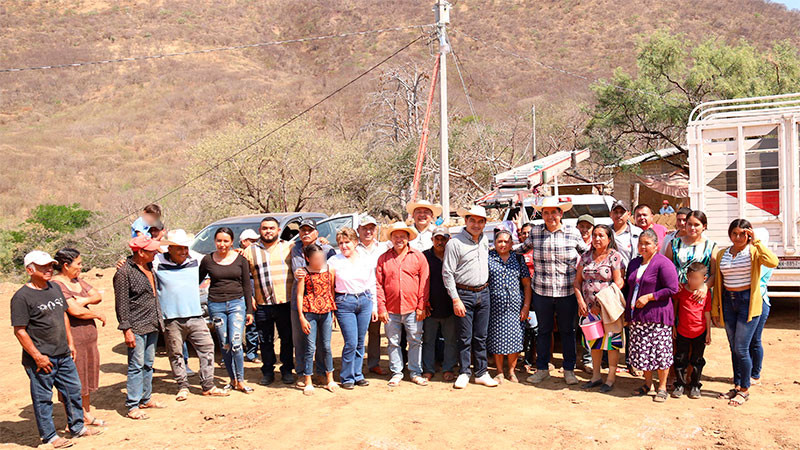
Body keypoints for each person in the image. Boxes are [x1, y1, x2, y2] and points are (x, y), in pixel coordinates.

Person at [12, 251, 103, 447]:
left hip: (63, 353)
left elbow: (63, 316)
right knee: (43, 398)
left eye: (50, 265)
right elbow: (20, 331)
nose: (48, 269)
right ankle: (50, 437)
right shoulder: (22, 297)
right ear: (30, 270)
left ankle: (77, 427)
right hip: (41, 359)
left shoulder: (54, 288)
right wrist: (37, 356)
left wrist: (70, 343)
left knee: (73, 390)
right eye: (43, 266)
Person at [519, 197, 589, 385]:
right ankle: (542, 369)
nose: (550, 216)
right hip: (542, 291)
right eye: (546, 213)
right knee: (543, 331)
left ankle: (569, 370)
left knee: (568, 331)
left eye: (553, 212)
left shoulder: (572, 233)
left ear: (561, 213)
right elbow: (521, 249)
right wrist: (498, 250)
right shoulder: (535, 232)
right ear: (542, 214)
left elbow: (586, 254)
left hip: (567, 292)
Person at [711, 219, 778, 407]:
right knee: (734, 348)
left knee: (742, 347)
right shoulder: (723, 253)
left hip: (748, 302)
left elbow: (773, 262)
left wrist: (756, 241)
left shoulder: (754, 251)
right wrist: (716, 308)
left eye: (743, 234)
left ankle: (745, 390)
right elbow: (718, 283)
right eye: (735, 233)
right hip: (728, 302)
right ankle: (737, 385)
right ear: (729, 234)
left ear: (749, 234)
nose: (738, 237)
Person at [156, 230, 229, 400]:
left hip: (195, 316)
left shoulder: (195, 259)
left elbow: (217, 257)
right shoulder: (156, 262)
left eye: (185, 248)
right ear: (170, 249)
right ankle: (182, 385)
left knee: (207, 348)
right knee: (175, 353)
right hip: (171, 318)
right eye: (179, 248)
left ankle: (208, 384)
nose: (183, 252)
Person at [443, 205, 498, 389]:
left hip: (484, 293)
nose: (476, 224)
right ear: (466, 221)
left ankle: (481, 372)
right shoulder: (455, 243)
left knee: (481, 336)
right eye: (472, 220)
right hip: (464, 294)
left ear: (484, 223)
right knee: (465, 337)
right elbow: (447, 273)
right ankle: (465, 372)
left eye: (480, 221)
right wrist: (455, 299)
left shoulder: (484, 241)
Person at [51, 249, 108, 427]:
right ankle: (74, 418)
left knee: (87, 375)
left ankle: (86, 413)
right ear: (66, 265)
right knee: (73, 378)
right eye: (78, 264)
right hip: (73, 338)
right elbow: (73, 311)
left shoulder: (76, 281)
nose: (81, 267)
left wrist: (82, 301)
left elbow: (97, 295)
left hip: (88, 338)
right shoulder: (56, 285)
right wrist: (96, 314)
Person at [625, 229, 680, 403]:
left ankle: (662, 387)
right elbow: (629, 287)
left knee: (660, 353)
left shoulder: (663, 263)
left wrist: (650, 297)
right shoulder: (634, 263)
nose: (643, 246)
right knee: (642, 352)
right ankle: (647, 384)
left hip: (657, 316)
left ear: (656, 246)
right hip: (638, 317)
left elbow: (673, 288)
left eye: (647, 243)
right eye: (641, 243)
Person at [114, 235, 165, 419]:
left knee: (148, 363)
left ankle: (145, 398)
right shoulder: (124, 272)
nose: (155, 253)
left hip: (152, 322)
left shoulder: (150, 265)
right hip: (136, 324)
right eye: (151, 250)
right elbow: (121, 304)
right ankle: (133, 404)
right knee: (136, 365)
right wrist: (126, 329)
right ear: (141, 252)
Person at [199, 227, 254, 394]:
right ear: (215, 241)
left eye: (225, 241)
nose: (222, 244)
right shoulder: (207, 260)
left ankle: (241, 380)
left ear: (231, 242)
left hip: (237, 304)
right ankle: (232, 380)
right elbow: (196, 279)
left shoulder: (240, 259)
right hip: (216, 305)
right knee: (225, 344)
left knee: (236, 343)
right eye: (219, 241)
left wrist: (249, 310)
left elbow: (246, 285)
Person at [243, 218, 297, 385]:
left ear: (278, 230)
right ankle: (267, 371)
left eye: (272, 228)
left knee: (287, 339)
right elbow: (244, 278)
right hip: (262, 303)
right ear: (260, 230)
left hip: (285, 302)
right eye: (265, 228)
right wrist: (250, 298)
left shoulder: (289, 247)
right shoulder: (250, 251)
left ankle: (287, 370)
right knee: (265, 340)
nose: (268, 231)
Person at [376, 222, 430, 387]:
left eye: (402, 236)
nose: (399, 239)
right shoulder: (383, 259)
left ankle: (415, 372)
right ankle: (397, 372)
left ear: (408, 238)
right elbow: (378, 285)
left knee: (415, 340)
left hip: (413, 308)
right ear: (391, 238)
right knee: (393, 342)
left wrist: (422, 306)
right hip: (391, 309)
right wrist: (381, 308)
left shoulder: (418, 256)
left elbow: (424, 283)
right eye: (395, 236)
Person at [574, 225, 624, 392]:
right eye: (594, 235)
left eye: (601, 235)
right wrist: (581, 300)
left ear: (609, 239)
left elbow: (619, 282)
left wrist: (600, 302)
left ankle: (610, 379)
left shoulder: (614, 257)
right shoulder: (585, 256)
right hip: (588, 309)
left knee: (611, 342)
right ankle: (596, 376)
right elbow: (577, 282)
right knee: (594, 341)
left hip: (608, 308)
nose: (597, 239)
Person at [327, 227, 377, 389]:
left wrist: (374, 306)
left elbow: (372, 283)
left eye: (347, 242)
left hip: (364, 300)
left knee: (361, 341)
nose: (344, 246)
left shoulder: (365, 259)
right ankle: (347, 376)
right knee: (351, 341)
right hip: (344, 302)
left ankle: (358, 374)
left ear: (355, 242)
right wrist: (332, 308)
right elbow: (329, 286)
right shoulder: (334, 261)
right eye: (341, 243)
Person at [291, 219, 336, 386]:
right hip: (304, 304)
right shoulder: (294, 248)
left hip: (324, 308)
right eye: (302, 230)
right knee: (301, 341)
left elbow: (331, 286)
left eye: (309, 230)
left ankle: (322, 373)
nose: (306, 233)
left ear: (317, 233)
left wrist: (332, 310)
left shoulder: (327, 249)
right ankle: (303, 374)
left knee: (324, 344)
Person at [486, 229, 531, 383]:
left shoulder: (518, 259)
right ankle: (499, 371)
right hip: (494, 306)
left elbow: (526, 284)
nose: (503, 244)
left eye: (506, 241)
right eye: (500, 241)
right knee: (496, 338)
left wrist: (525, 307)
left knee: (515, 338)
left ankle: (511, 371)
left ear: (512, 244)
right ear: (495, 243)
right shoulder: (488, 258)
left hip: (515, 306)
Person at [421, 227, 458, 381]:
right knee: (428, 340)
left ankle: (448, 368)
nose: (440, 242)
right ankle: (428, 368)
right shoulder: (424, 257)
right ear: (432, 240)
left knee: (450, 340)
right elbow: (420, 281)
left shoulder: (454, 255)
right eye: (437, 239)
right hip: (430, 306)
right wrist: (423, 302)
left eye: (443, 239)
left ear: (448, 240)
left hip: (450, 306)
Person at [356, 214, 391, 376]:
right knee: (356, 333)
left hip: (381, 296)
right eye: (364, 228)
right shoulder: (353, 249)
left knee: (376, 332)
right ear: (358, 230)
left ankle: (374, 363)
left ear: (376, 230)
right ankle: (355, 366)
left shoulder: (384, 248)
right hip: (359, 296)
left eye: (371, 228)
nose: (368, 232)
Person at [671, 262, 712, 399]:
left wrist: (708, 333)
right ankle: (680, 384)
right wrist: (673, 326)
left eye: (697, 278)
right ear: (687, 277)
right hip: (682, 330)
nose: (693, 281)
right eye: (691, 277)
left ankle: (695, 384)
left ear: (704, 279)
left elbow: (707, 313)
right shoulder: (681, 291)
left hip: (699, 332)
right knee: (680, 358)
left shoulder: (705, 294)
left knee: (697, 360)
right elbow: (675, 308)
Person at [665, 210, 717, 287]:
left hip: (700, 293)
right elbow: (665, 268)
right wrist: (672, 283)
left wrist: (705, 287)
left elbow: (714, 274)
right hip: (677, 291)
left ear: (704, 226)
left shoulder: (711, 246)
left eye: (696, 225)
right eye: (689, 224)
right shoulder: (674, 244)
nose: (692, 228)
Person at [750, 228, 774, 386]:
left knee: (755, 340)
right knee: (747, 341)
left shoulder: (764, 259)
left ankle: (755, 374)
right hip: (751, 302)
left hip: (759, 301)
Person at [238, 228, 262, 365]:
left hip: (255, 292)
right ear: (244, 241)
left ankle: (252, 353)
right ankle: (234, 354)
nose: (255, 243)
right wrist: (249, 297)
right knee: (237, 326)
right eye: (252, 241)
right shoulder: (238, 257)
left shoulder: (255, 254)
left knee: (253, 326)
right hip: (242, 295)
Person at [610, 200, 641, 267]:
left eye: (622, 212)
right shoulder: (605, 232)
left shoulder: (638, 233)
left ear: (629, 214)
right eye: (616, 212)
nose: (618, 215)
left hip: (629, 274)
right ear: (610, 214)